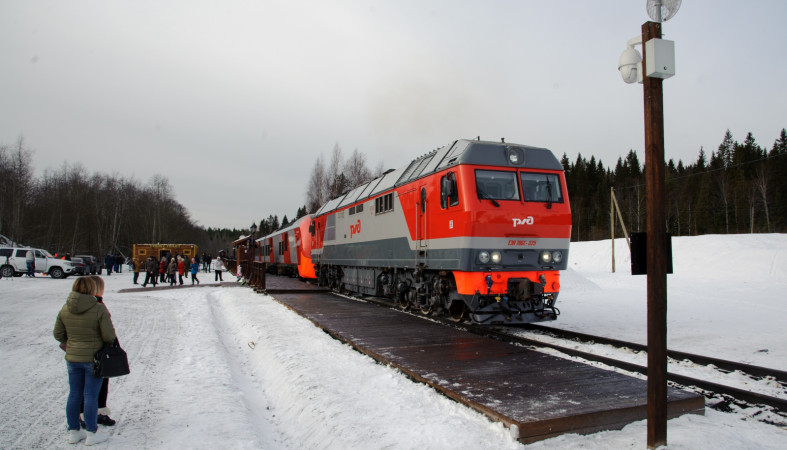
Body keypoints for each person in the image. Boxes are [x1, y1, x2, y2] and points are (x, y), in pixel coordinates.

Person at [53, 276, 115, 445]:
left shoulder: (66, 308)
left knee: (74, 394)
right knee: (90, 396)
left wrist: (71, 342)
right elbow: (109, 335)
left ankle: (74, 431)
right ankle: (91, 433)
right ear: (91, 289)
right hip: (93, 358)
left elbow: (58, 334)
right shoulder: (98, 308)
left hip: (72, 358)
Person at [79, 276, 115, 427]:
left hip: (78, 351)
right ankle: (98, 413)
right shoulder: (98, 305)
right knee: (99, 384)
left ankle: (82, 415)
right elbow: (106, 331)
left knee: (81, 386)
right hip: (97, 351)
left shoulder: (76, 303)